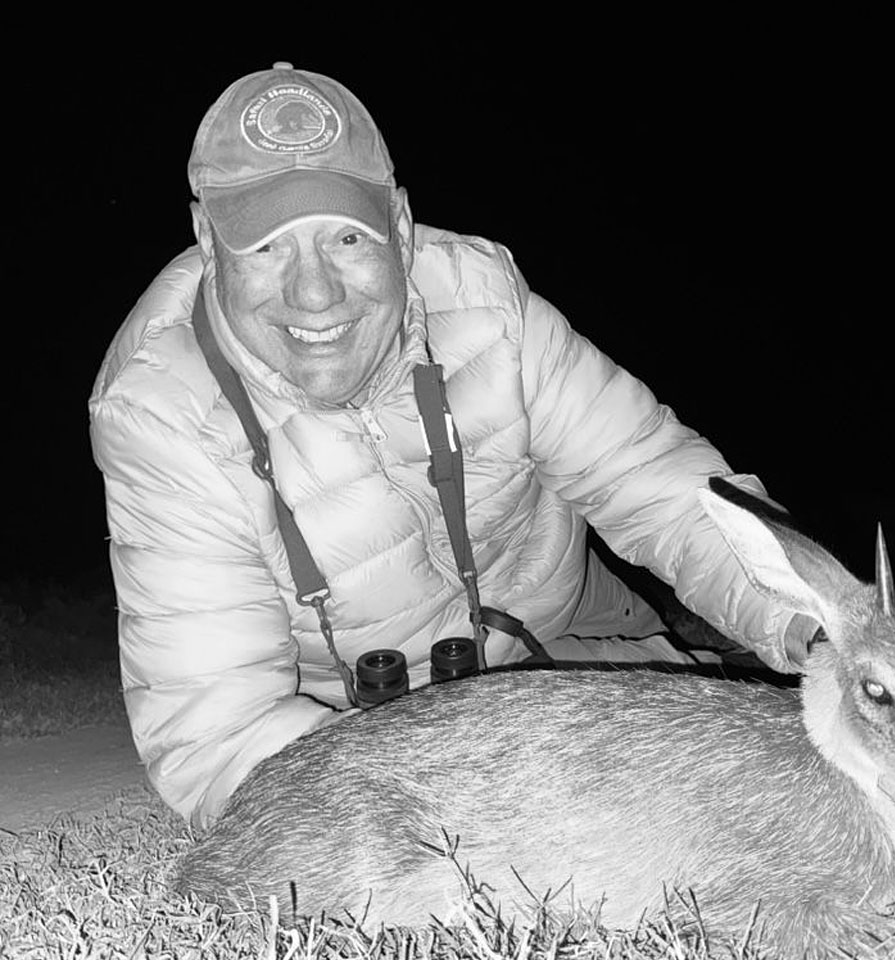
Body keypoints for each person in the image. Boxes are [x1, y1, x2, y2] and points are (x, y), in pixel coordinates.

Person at [89, 63, 810, 828]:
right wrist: (450, 802)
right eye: (266, 247)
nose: (315, 294)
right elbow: (219, 732)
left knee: (757, 748)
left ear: (399, 226)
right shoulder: (158, 412)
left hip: (573, 636)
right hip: (358, 727)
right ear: (206, 239)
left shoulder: (487, 305)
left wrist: (814, 615)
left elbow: (656, 482)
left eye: (346, 237)